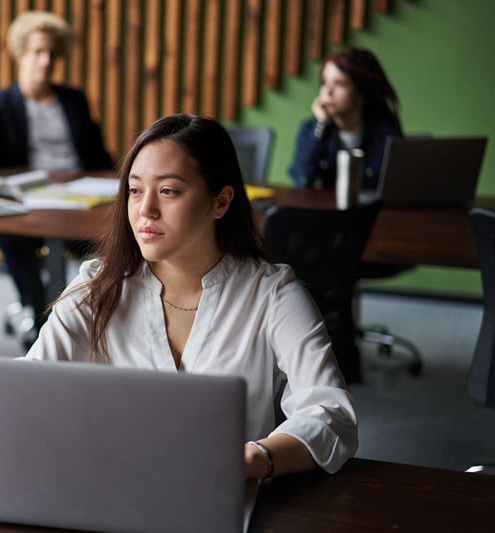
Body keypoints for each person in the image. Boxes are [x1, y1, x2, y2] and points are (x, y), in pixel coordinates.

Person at [25, 114, 358, 479]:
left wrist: (258, 458)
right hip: (110, 485)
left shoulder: (271, 293)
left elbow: (330, 413)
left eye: (168, 191)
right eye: (135, 190)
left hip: (221, 498)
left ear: (221, 202)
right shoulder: (98, 284)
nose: (145, 210)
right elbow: (26, 387)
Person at [0, 11, 112, 346]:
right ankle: (40, 318)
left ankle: (81, 320)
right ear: (20, 54)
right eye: (38, 52)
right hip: (30, 203)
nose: (46, 61)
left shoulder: (74, 100)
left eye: (52, 54)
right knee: (9, 232)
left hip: (80, 200)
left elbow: (99, 155)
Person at [289, 47, 402, 190]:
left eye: (339, 84)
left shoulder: (385, 132)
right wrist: (321, 125)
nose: (327, 92)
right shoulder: (313, 129)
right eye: (324, 82)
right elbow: (301, 178)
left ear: (360, 91)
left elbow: (395, 186)